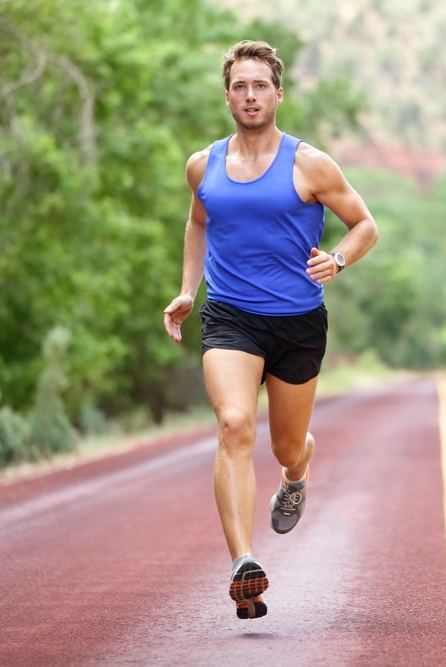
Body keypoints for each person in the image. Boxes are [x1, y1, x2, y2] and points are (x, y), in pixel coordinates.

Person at [162, 39, 378, 620]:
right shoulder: (202, 165)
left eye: (260, 85)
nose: (250, 95)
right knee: (234, 425)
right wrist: (189, 289)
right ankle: (244, 565)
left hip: (298, 322)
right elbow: (198, 221)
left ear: (277, 94)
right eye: (240, 86)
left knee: (285, 443)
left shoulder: (310, 164)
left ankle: (298, 470)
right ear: (227, 95)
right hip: (230, 316)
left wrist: (337, 260)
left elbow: (364, 225)